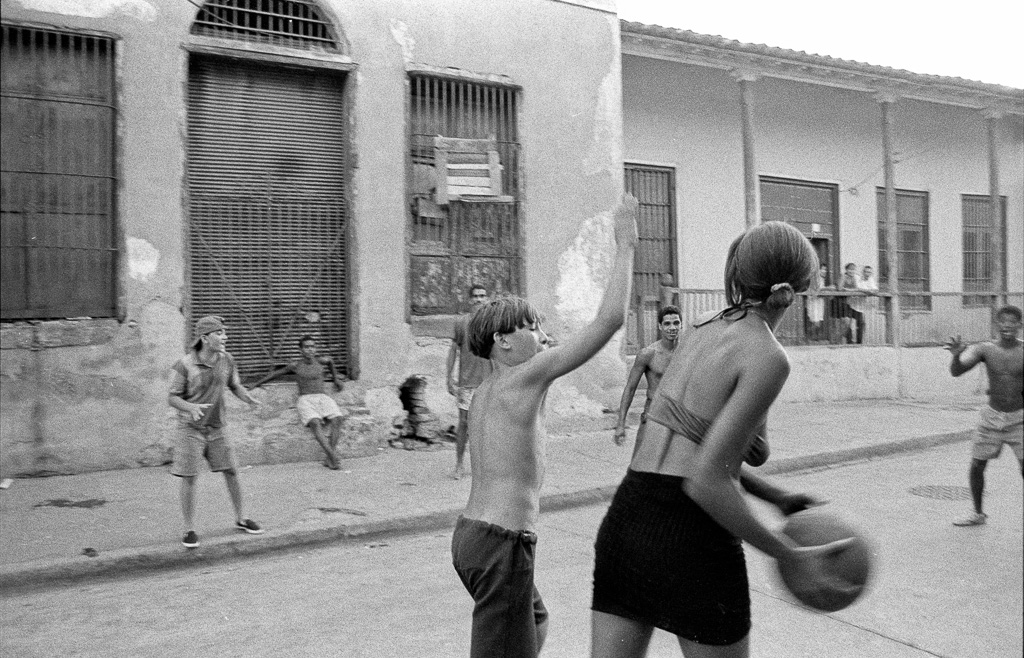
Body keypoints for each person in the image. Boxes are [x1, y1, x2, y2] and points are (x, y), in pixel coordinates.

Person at [591, 221, 855, 658]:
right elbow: (704, 479)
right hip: (691, 538)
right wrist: (786, 552)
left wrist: (774, 496)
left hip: (628, 521)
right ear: (795, 289)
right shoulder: (767, 355)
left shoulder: (698, 328)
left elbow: (698, 446)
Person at [451, 194, 638, 658]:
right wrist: (626, 245)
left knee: (535, 621)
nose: (542, 334)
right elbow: (609, 320)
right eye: (532, 327)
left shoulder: (486, 393)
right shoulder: (525, 376)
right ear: (504, 342)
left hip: (472, 538)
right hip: (502, 544)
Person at [168, 316, 264, 549]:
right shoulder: (185, 364)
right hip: (191, 429)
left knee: (231, 471)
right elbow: (172, 397)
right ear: (204, 338)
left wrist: (248, 397)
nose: (225, 337)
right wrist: (191, 407)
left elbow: (234, 384)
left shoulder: (227, 359)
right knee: (190, 477)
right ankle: (189, 529)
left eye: (224, 332)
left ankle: (241, 519)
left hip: (217, 427)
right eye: (219, 333)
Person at [945, 304, 1023, 527]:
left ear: (1020, 325)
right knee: (977, 464)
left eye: (1012, 322)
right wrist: (956, 355)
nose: (1007, 326)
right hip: (991, 417)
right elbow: (956, 372)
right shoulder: (985, 349)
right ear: (996, 325)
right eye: (1002, 322)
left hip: (1020, 418)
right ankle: (977, 513)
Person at [252, 335, 346, 470]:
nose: (310, 350)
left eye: (313, 346)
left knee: (338, 419)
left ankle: (329, 458)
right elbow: (275, 374)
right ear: (301, 350)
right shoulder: (296, 365)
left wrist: (336, 379)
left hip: (322, 397)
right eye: (307, 347)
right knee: (315, 422)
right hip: (305, 399)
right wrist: (256, 383)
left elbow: (331, 362)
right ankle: (332, 455)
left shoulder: (321, 361)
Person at [613, 305, 682, 454]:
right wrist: (621, 424)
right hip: (653, 414)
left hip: (677, 415)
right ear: (660, 326)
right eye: (667, 323)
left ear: (681, 325)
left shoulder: (686, 352)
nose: (672, 328)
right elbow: (630, 389)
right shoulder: (648, 354)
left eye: (676, 323)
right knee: (642, 463)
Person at [446, 283, 493, 479]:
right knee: (464, 424)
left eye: (483, 296)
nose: (479, 299)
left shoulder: (494, 325)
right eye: (475, 296)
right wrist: (448, 377)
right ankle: (458, 465)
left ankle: (485, 467)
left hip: (488, 382)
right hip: (466, 383)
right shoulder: (462, 323)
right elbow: (453, 350)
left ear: (487, 299)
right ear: (470, 299)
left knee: (487, 425)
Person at [837, 262, 867, 344]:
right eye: (850, 269)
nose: (851, 271)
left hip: (853, 302)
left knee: (860, 322)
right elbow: (839, 288)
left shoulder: (855, 277)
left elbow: (857, 288)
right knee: (847, 323)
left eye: (853, 269)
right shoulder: (843, 276)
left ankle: (858, 342)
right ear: (846, 270)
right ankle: (849, 342)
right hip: (843, 302)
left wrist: (849, 290)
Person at [805, 263, 828, 342]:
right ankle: (808, 337)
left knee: (818, 322)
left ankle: (813, 339)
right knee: (815, 322)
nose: (824, 271)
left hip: (819, 302)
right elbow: (816, 290)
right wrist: (827, 289)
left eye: (825, 270)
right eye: (823, 269)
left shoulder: (822, 280)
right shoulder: (813, 279)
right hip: (813, 302)